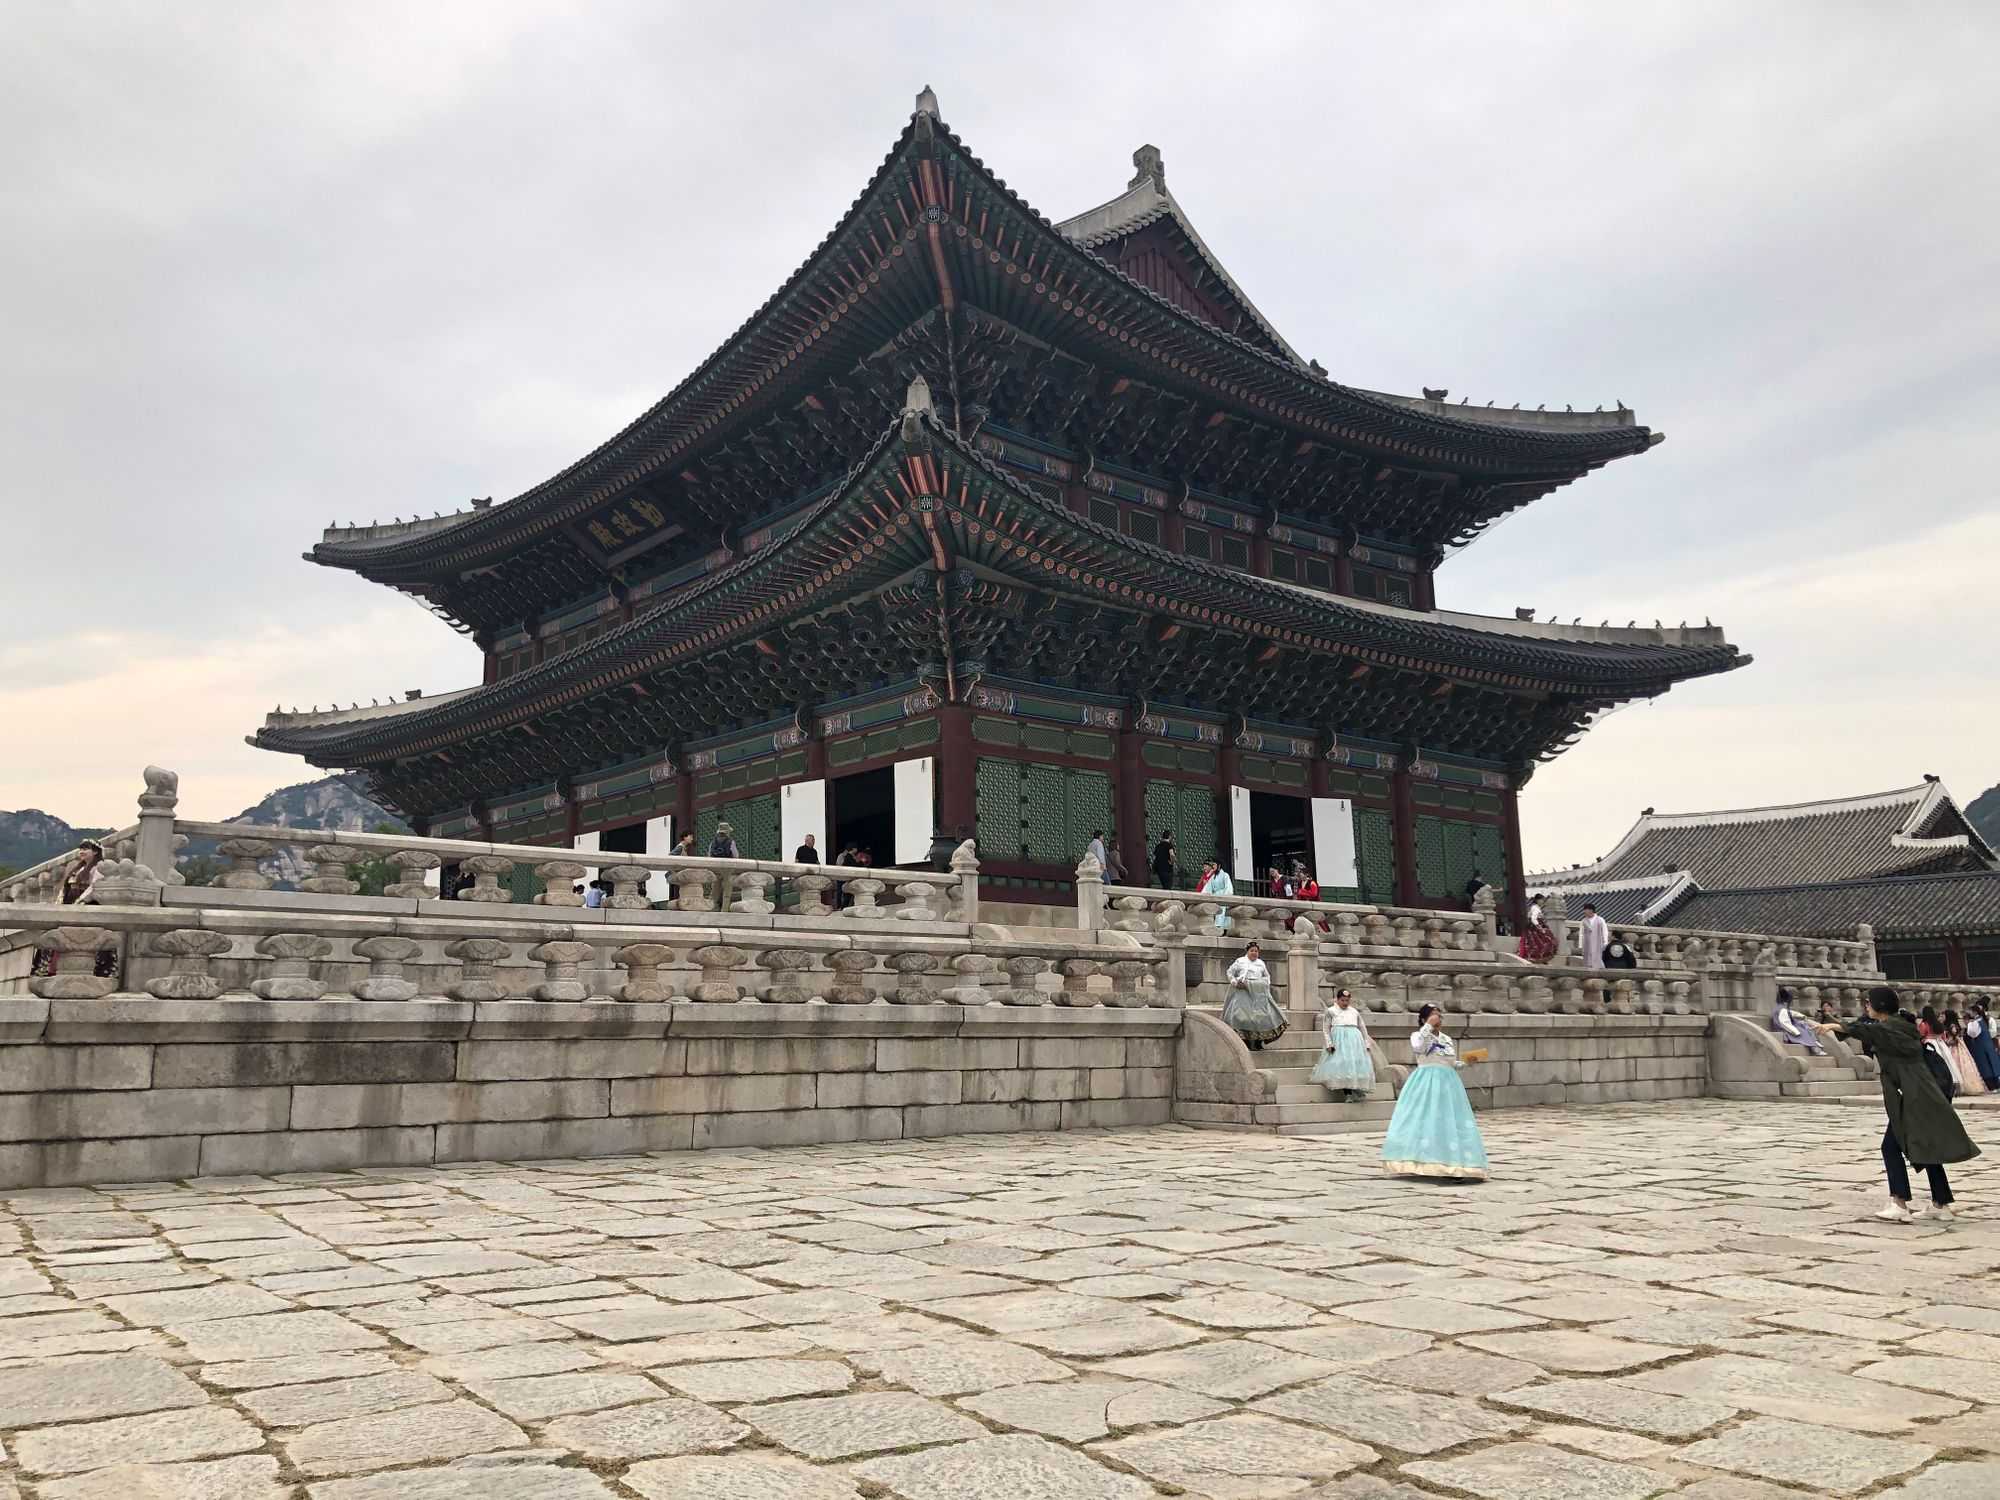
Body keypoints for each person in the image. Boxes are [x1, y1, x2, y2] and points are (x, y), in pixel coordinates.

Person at [1811, 988, 1978, 1223]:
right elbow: (1868, 1027)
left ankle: (1899, 1202)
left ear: (1879, 1005)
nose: (1865, 1006)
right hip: (1919, 1093)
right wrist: (1835, 1024)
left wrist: (1834, 1026)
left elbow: (1871, 1031)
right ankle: (1941, 1204)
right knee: (1926, 1146)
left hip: (1915, 1095)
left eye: (1869, 1002)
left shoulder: (1891, 1028)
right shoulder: (1897, 1024)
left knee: (1891, 1146)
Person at [1380, 1004, 1489, 1182]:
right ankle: (1417, 1161)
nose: (1437, 1019)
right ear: (1424, 1019)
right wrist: (1428, 1026)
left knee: (1449, 1121)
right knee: (1423, 1119)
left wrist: (1468, 1062)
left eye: (1439, 1016)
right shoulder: (1418, 1035)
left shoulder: (1446, 1038)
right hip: (1426, 1082)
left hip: (1448, 1083)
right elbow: (1418, 1048)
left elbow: (1450, 1063)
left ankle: (1453, 1162)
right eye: (1433, 1016)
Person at [29, 839, 114, 979]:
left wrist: (80, 902)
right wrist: (60, 905)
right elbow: (65, 890)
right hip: (70, 907)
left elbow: (95, 888)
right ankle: (48, 970)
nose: (82, 851)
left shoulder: (99, 868)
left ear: (95, 851)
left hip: (86, 908)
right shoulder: (77, 869)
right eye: (80, 849)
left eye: (86, 848)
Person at [1310, 987, 1374, 1101]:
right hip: (1339, 1040)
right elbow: (1326, 1029)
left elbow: (1362, 1027)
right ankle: (1347, 1093)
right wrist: (1329, 1043)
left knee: (1355, 1063)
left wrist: (1366, 1042)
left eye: (1347, 1000)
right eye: (1342, 1000)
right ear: (1337, 1000)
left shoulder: (1354, 1011)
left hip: (1354, 1040)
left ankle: (1357, 1089)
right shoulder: (1331, 1011)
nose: (1345, 1003)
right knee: (1343, 1064)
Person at [1222, 942, 1287, 1051]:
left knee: (1261, 1018)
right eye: (1252, 951)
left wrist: (1262, 984)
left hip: (1259, 993)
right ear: (1247, 951)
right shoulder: (1240, 961)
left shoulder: (1261, 963)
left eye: (1256, 951)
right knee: (1244, 1018)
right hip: (1243, 991)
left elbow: (1267, 976)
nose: (1254, 953)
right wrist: (1234, 982)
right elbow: (1230, 972)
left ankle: (1258, 1042)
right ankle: (1246, 1042)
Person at [1944, 1012, 1987, 1098]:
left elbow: (1954, 1038)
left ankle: (1959, 1088)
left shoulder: (1952, 1026)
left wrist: (1948, 1042)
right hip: (1960, 1046)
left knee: (1956, 1065)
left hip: (1955, 1048)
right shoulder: (1955, 1025)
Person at [1769, 986, 1824, 1054]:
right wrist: (1795, 1031)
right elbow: (1785, 1023)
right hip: (1784, 1029)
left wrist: (1802, 1016)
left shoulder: (1779, 1008)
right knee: (1803, 1031)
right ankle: (1814, 1048)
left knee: (1803, 1025)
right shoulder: (1782, 1009)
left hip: (1782, 1027)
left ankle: (1815, 1044)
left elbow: (1790, 1013)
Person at [1965, 1000, 2000, 1090]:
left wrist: (1969, 1023)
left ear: (1974, 1012)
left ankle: (1992, 1086)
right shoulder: (1983, 1019)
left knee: (1985, 1066)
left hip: (1981, 1047)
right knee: (1992, 1064)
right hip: (1987, 1045)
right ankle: (1996, 1085)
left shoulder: (1976, 1022)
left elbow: (1972, 1034)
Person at [1516, 895, 1556, 964]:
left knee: (1540, 942)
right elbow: (1533, 919)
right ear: (1537, 900)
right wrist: (1539, 927)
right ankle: (1536, 958)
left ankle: (1540, 958)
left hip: (1535, 927)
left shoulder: (1536, 907)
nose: (1543, 901)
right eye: (1542, 900)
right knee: (1541, 942)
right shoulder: (1535, 908)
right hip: (1534, 928)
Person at [1198, 861, 1234, 932]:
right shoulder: (1213, 877)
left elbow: (1228, 887)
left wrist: (1226, 896)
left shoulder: (1225, 875)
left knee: (1222, 909)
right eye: (1212, 865)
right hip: (1215, 896)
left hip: (1223, 896)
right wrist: (1203, 895)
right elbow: (1208, 888)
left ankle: (1221, 927)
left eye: (1214, 865)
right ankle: (1217, 927)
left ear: (1219, 865)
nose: (1213, 866)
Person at [1579, 903, 1610, 969]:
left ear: (1591, 910)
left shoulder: (1600, 920)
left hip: (1598, 942)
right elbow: (1581, 934)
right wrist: (1580, 945)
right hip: (1587, 943)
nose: (1584, 911)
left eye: (1585, 910)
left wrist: (1605, 942)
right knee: (1587, 958)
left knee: (1597, 957)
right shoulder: (1583, 921)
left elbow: (1605, 931)